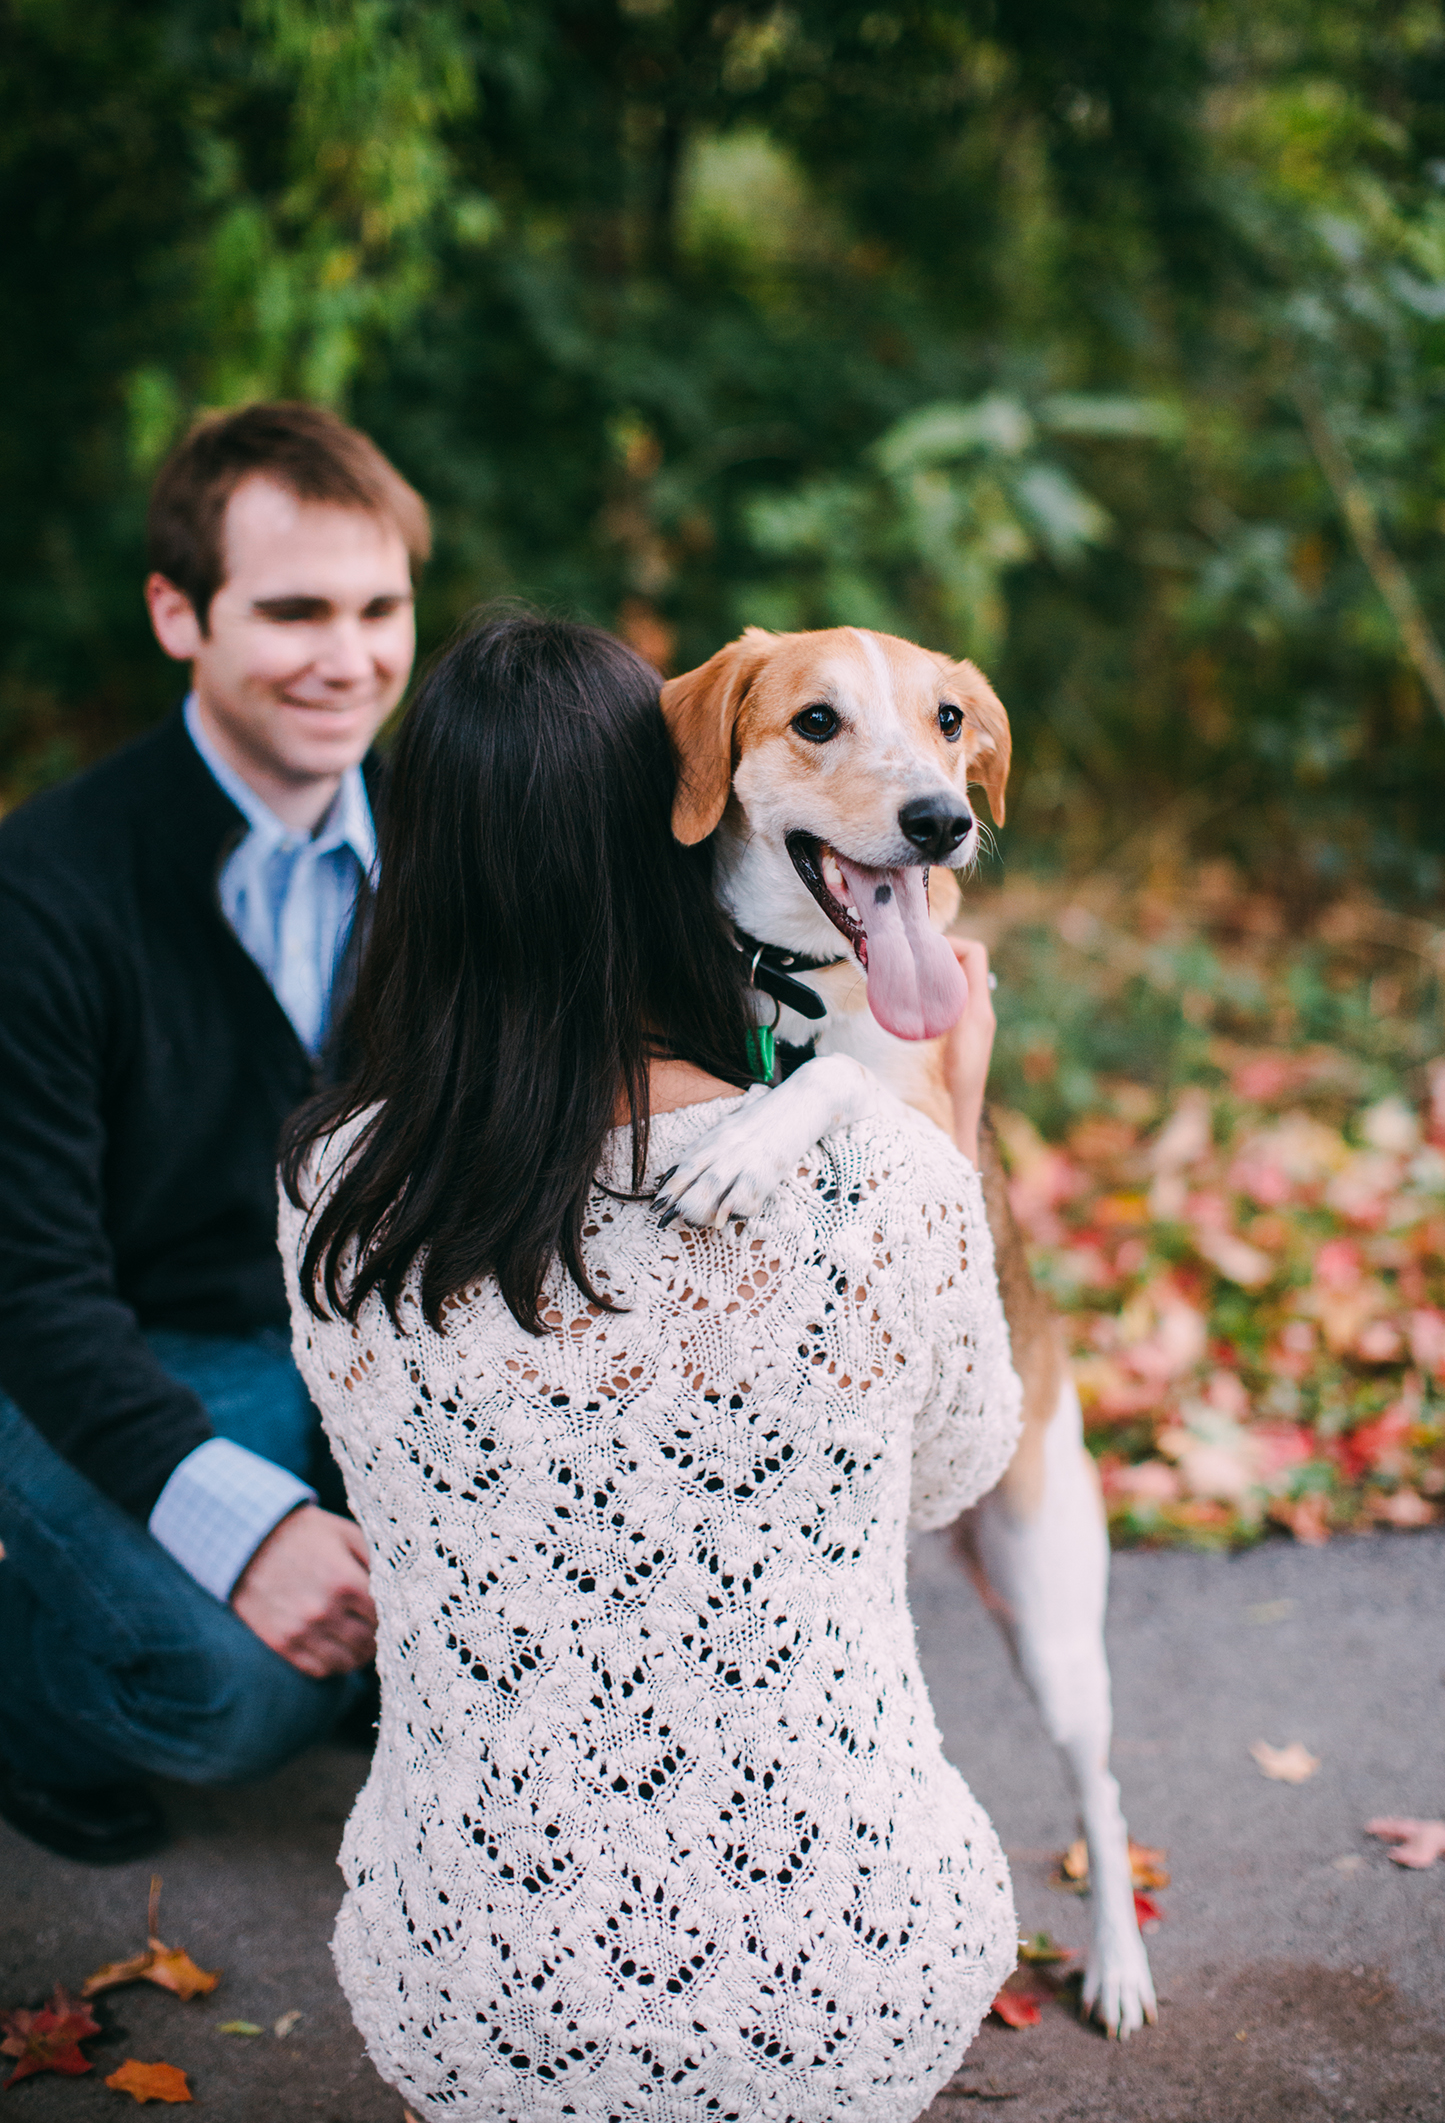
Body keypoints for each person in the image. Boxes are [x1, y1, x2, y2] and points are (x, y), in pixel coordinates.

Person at [280, 609, 1022, 2123]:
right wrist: (960, 1123)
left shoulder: (333, 1185)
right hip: (857, 1977)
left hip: (475, 1990)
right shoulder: (886, 1160)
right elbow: (954, 1471)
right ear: (669, 825)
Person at [0, 402, 426, 1866]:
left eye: (381, 607)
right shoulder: (48, 888)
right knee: (238, 1692)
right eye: (295, 609)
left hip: (351, 1346)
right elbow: (30, 1295)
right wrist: (247, 1531)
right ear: (180, 613)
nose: (350, 655)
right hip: (111, 1347)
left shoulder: (440, 851)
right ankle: (26, 1693)